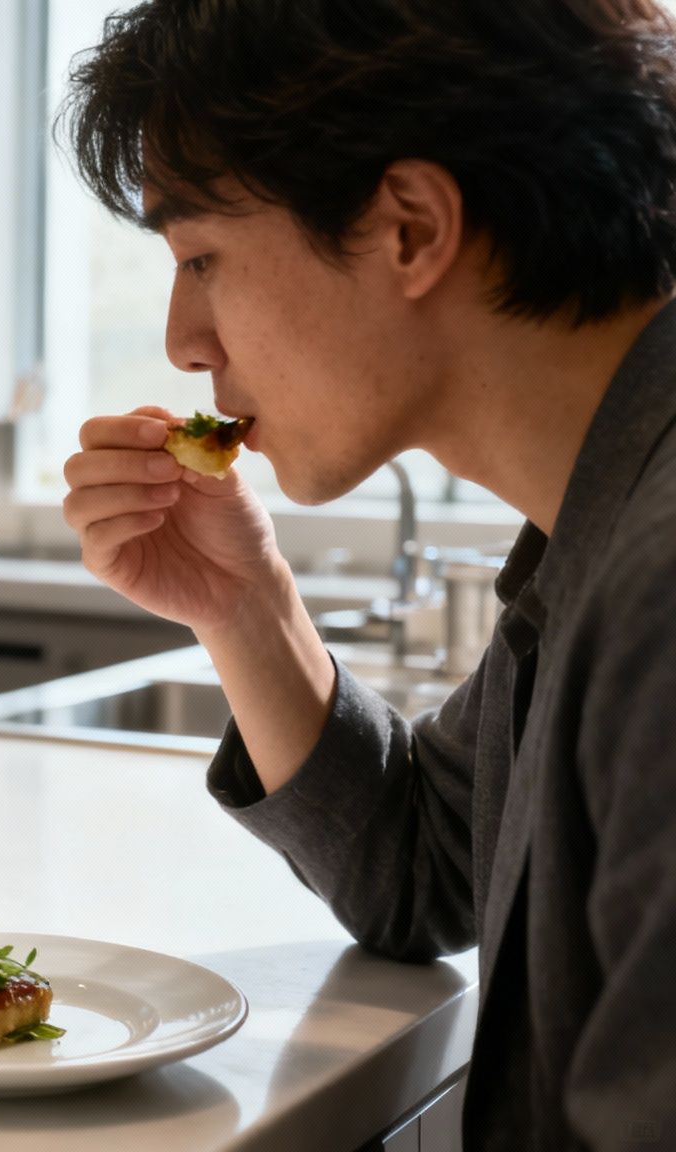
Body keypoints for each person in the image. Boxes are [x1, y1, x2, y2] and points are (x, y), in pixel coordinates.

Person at [58, 1, 676, 1147]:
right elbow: (422, 861)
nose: (183, 340)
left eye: (200, 256)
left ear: (406, 228)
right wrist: (243, 604)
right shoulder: (601, 512)